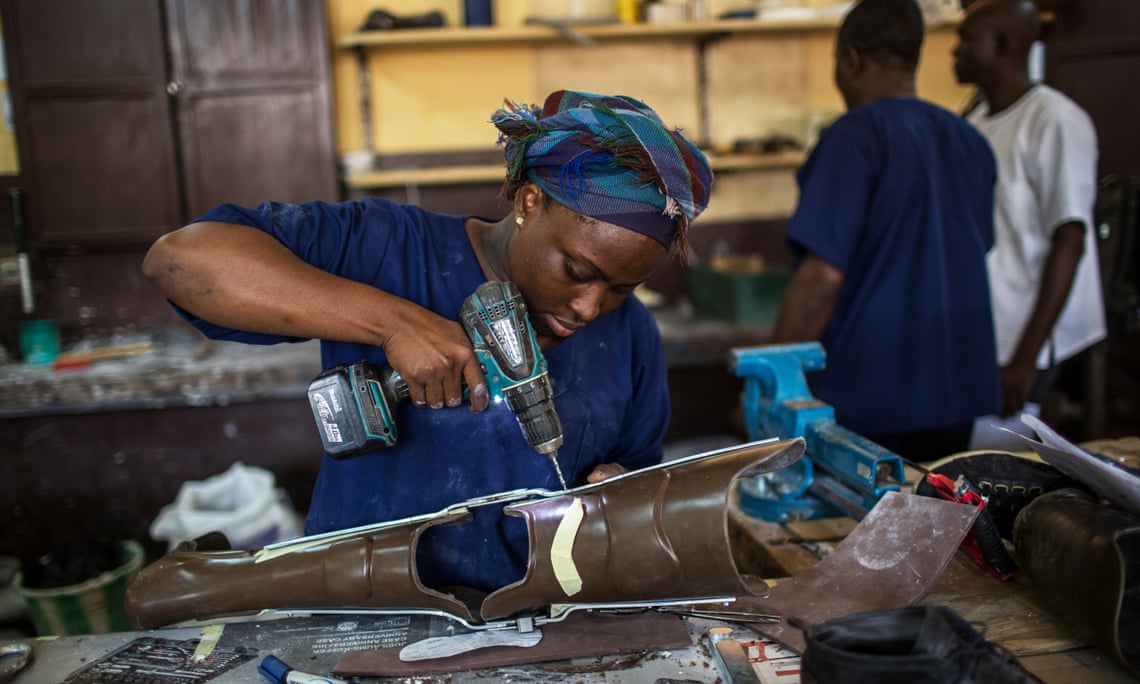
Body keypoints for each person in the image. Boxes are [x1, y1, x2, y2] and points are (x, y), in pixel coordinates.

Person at [142, 90, 713, 594]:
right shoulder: (386, 248)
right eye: (577, 270)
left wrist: (620, 497)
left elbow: (640, 477)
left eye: (621, 287)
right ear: (529, 202)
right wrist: (391, 323)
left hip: (537, 625)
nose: (590, 308)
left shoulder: (631, 331)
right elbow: (180, 262)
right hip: (363, 609)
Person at [770, 0, 1000, 461]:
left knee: (857, 529)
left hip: (869, 398)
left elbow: (821, 281)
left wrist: (772, 379)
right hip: (957, 393)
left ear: (850, 59)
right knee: (935, 523)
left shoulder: (854, 137)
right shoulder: (969, 141)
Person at [953, 0, 1105, 435]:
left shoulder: (1054, 120)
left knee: (1006, 458)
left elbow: (1070, 237)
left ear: (1005, 44)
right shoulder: (977, 122)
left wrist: (1025, 360)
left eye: (967, 39)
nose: (955, 51)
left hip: (1034, 337)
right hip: (994, 325)